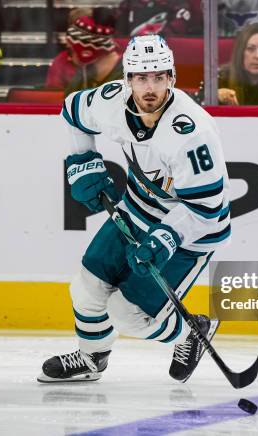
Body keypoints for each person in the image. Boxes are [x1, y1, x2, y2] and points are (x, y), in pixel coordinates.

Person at [38, 35, 230, 383]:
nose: (150, 87)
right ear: (127, 80)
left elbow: (207, 210)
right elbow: (72, 111)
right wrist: (83, 160)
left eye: (159, 77)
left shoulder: (192, 132)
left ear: (172, 78)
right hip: (137, 209)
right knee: (87, 289)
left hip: (191, 231)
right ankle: (91, 357)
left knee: (128, 315)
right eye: (141, 78)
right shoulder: (112, 102)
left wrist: (167, 237)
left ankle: (190, 333)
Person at [194, 23, 258, 105]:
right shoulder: (220, 77)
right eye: (250, 49)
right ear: (240, 52)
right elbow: (194, 106)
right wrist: (214, 97)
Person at [45, 15, 122, 95]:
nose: (71, 56)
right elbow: (57, 98)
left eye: (72, 50)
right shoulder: (84, 71)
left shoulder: (127, 75)